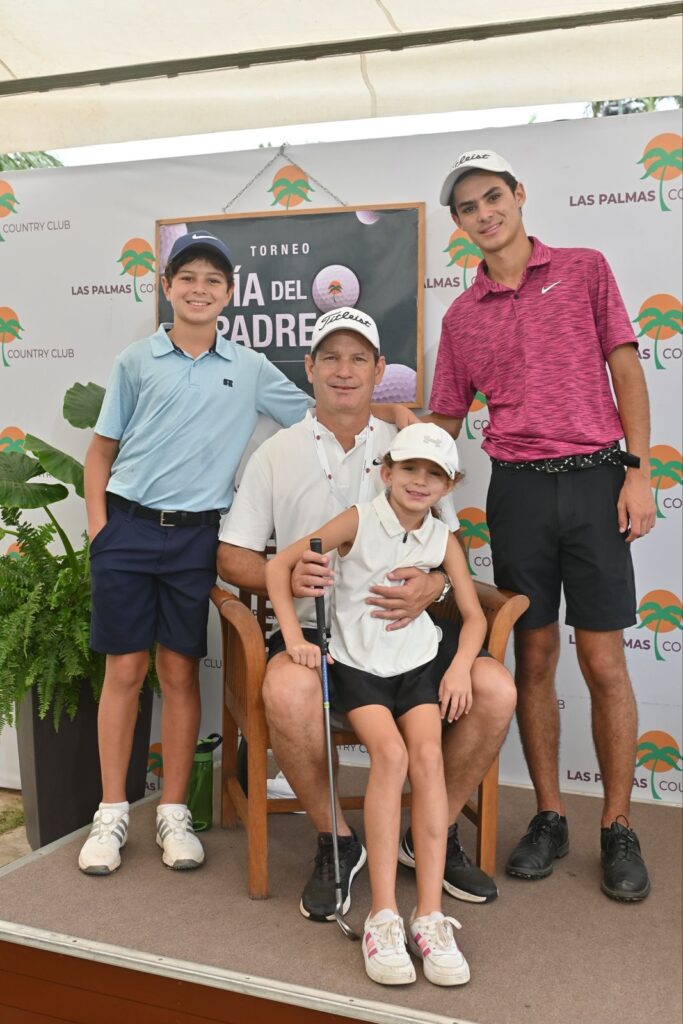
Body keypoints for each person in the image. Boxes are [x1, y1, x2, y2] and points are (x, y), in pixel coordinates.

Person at [217, 306, 517, 921]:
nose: (344, 371)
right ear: (309, 367)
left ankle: (429, 832)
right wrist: (287, 575)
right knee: (290, 692)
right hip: (317, 631)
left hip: (409, 632)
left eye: (359, 358)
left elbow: (448, 549)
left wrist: (433, 586)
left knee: (494, 689)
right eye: (330, 357)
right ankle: (337, 840)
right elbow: (231, 555)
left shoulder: (410, 445)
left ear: (380, 370)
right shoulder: (274, 452)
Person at [428, 149, 656, 901]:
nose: (484, 214)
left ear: (519, 195)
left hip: (596, 482)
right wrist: (377, 434)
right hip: (517, 493)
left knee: (604, 662)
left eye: (493, 197)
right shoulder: (461, 316)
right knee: (532, 659)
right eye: (468, 207)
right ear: (458, 223)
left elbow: (626, 368)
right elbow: (444, 419)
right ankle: (550, 816)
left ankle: (617, 826)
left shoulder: (585, 269)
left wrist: (637, 470)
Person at [78, 231, 314, 875]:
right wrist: (100, 530)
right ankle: (111, 812)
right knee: (125, 671)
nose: (199, 289)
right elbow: (100, 451)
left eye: (213, 279)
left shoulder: (250, 367)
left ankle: (173, 811)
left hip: (194, 539)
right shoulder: (136, 360)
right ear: (167, 287)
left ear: (230, 294)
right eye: (187, 277)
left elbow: (316, 416)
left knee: (180, 671)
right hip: (127, 531)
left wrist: (393, 416)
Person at [266, 423, 486, 986]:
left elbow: (474, 616)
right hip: (358, 666)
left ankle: (429, 916)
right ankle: (382, 915)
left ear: (448, 486)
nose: (419, 481)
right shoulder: (358, 518)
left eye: (434, 474)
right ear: (386, 472)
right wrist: (292, 637)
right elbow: (277, 566)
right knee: (391, 755)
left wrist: (461, 666)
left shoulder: (444, 540)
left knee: (428, 757)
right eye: (409, 468)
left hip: (418, 665)